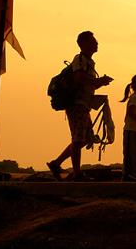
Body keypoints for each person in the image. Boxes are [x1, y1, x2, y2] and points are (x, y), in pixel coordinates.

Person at [47, 31, 114, 181]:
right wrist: (98, 81)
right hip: (77, 104)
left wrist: (100, 82)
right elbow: (79, 78)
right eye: (93, 41)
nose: (96, 43)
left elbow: (88, 84)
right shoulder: (80, 59)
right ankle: (77, 174)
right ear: (83, 44)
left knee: (84, 139)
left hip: (83, 104)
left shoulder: (88, 62)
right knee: (78, 139)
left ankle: (56, 163)